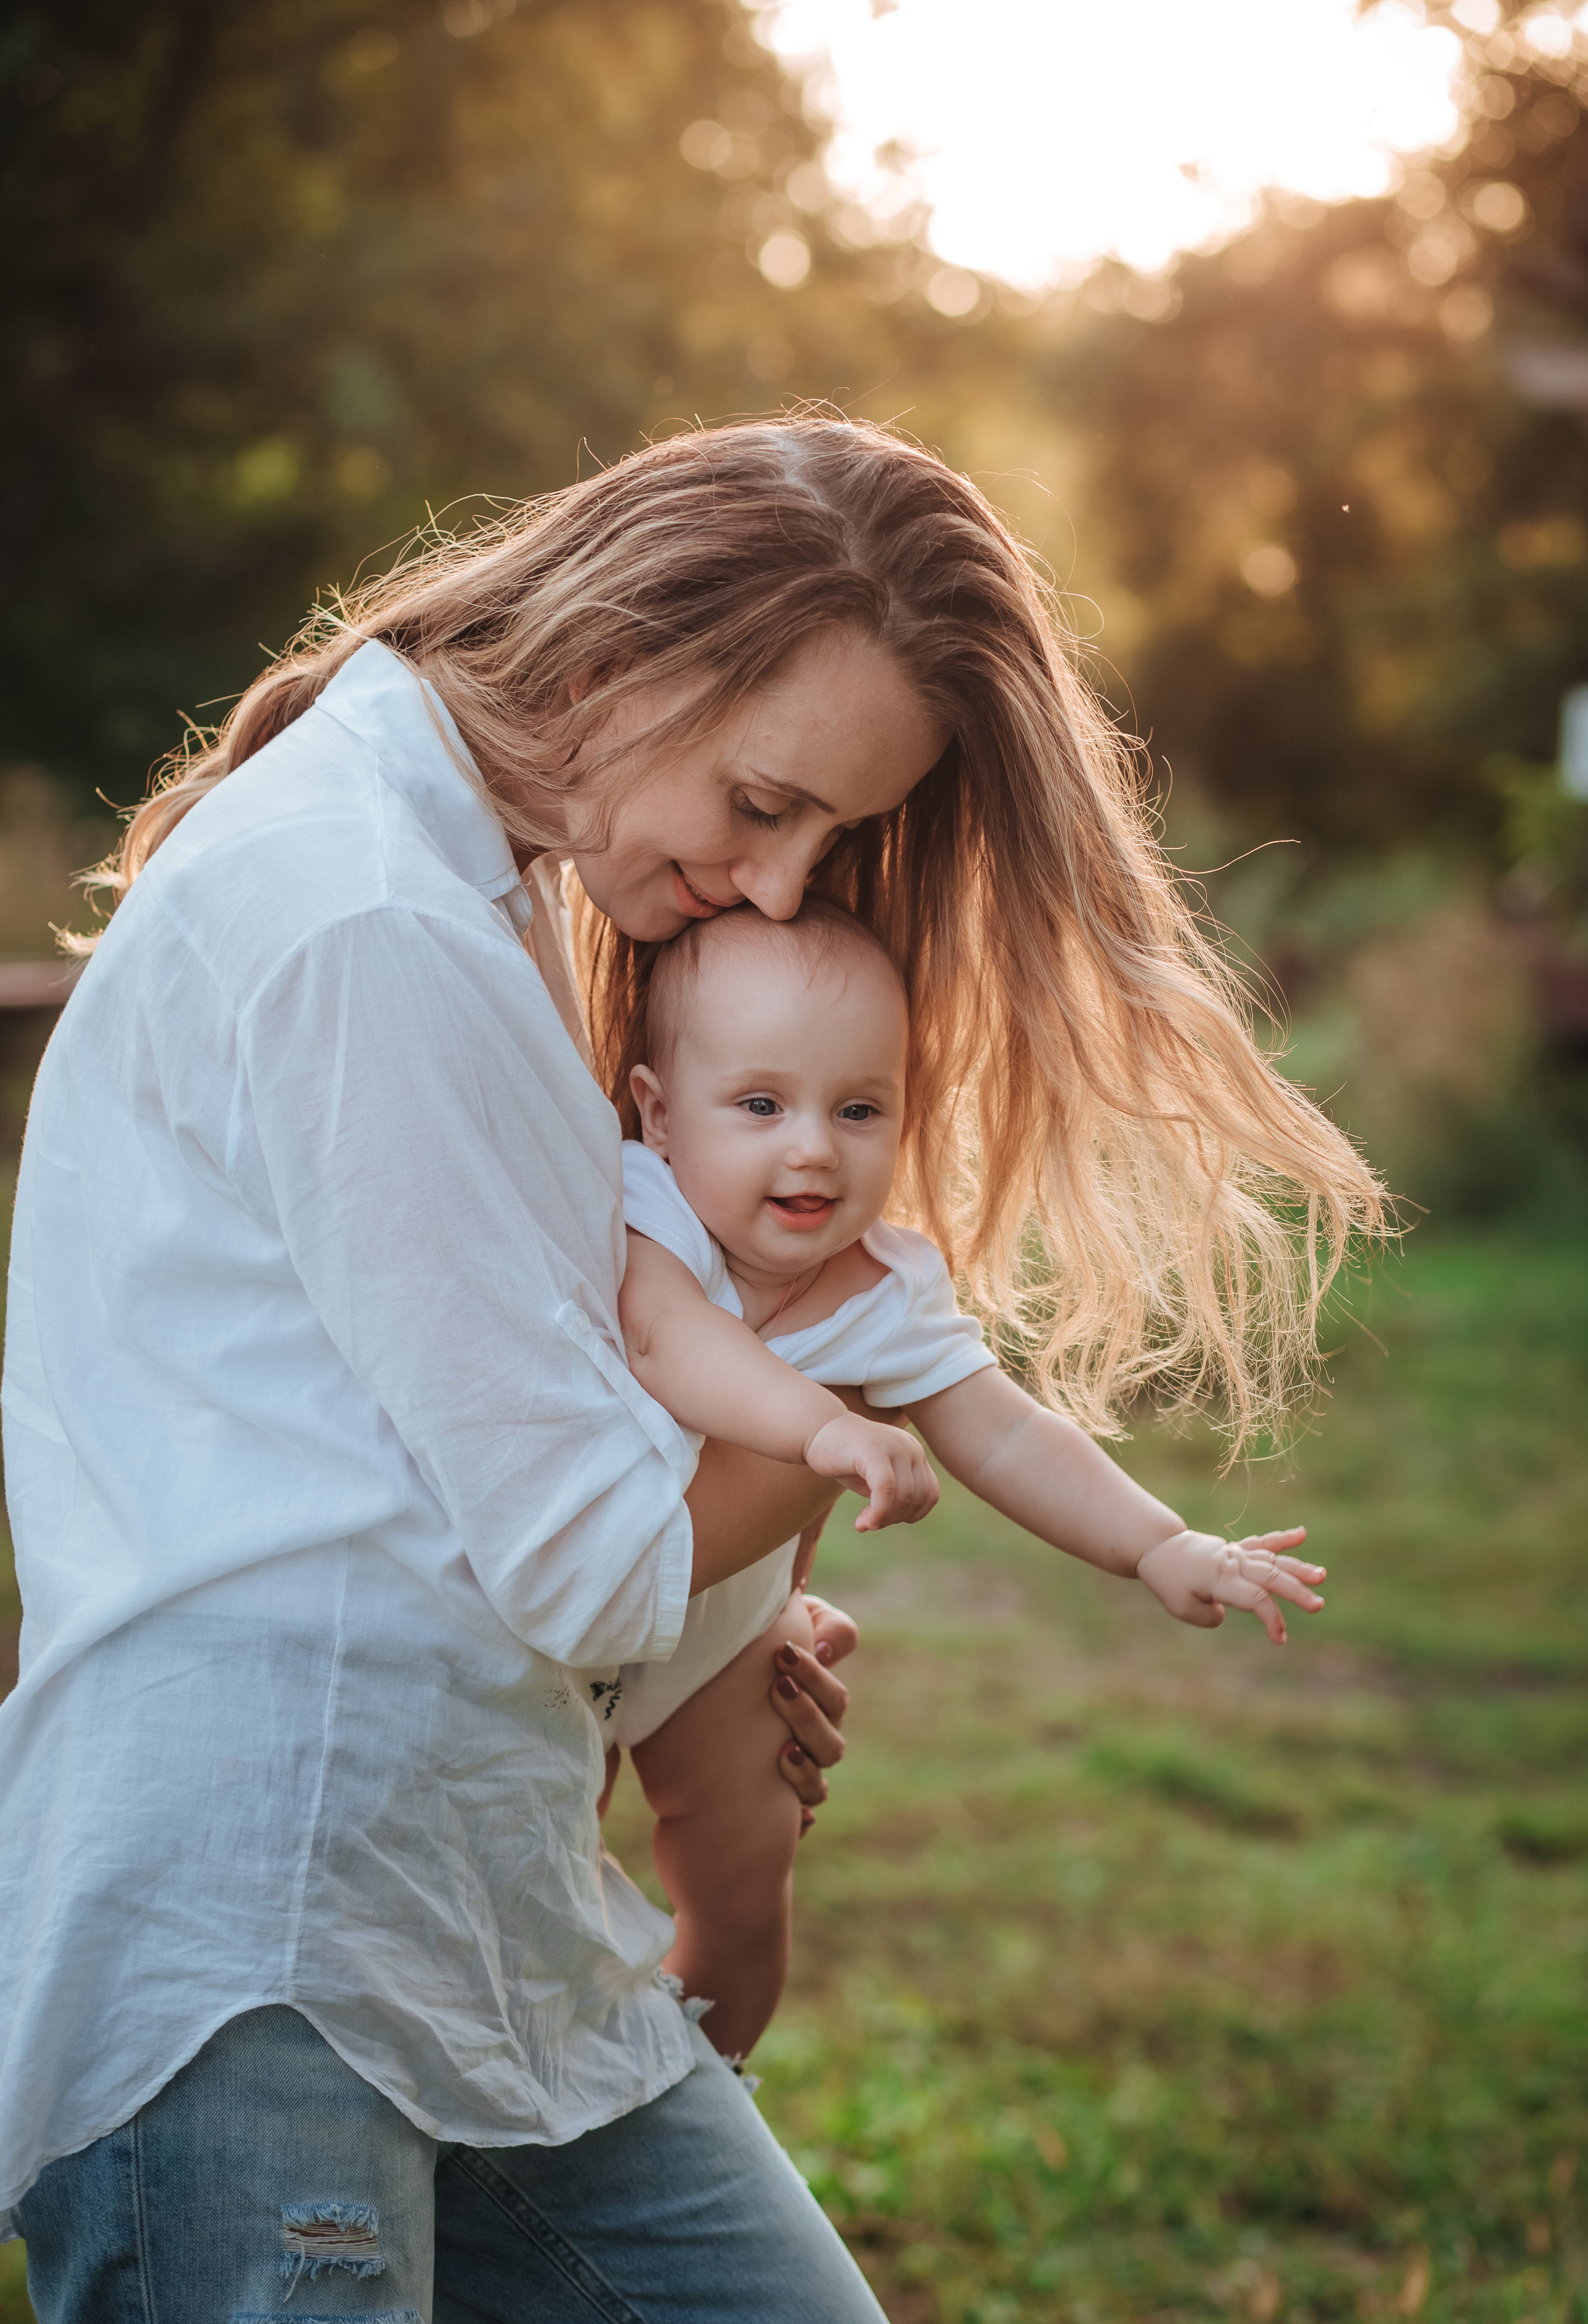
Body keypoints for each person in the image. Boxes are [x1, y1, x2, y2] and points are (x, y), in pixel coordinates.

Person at [0, 416, 1383, 2323]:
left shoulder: (443, 885)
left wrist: (716, 1626)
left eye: (826, 842)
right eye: (762, 801)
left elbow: (444, 1451)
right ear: (625, 643)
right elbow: (583, 1562)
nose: (773, 882)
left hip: (471, 1908)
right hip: (266, 1937)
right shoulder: (370, 916)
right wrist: (829, 1423)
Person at [595, 899, 1333, 2064]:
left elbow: (1004, 1434)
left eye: (858, 1110)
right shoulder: (642, 1211)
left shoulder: (889, 1290)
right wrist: (824, 1431)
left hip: (728, 1640)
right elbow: (664, 1345)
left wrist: (1157, 1544)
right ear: (659, 1114)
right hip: (570, 1619)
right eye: (759, 1106)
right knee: (538, 1861)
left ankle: (704, 2070)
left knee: (744, 1878)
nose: (812, 1148)